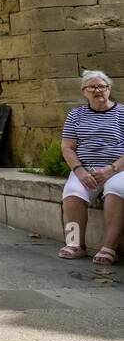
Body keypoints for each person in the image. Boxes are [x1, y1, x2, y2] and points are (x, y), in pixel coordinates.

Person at [59, 70, 124, 265]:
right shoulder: (75, 114)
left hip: (117, 169)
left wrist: (111, 169)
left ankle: (109, 247)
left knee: (116, 190)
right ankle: (75, 244)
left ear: (109, 89)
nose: (98, 90)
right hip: (85, 169)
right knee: (72, 193)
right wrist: (79, 170)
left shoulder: (122, 113)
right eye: (92, 87)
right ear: (84, 91)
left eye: (102, 86)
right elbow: (67, 147)